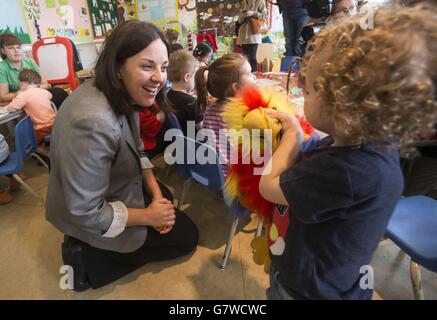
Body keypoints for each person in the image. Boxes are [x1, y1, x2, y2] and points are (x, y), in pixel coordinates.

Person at [259, 3, 437, 300]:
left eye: (311, 88)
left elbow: (268, 187)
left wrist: (292, 134)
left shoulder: (342, 171)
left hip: (304, 289)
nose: (302, 90)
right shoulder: (376, 147)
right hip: (341, 281)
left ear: (346, 110)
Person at [45, 20, 199, 291]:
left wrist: (155, 192)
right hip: (85, 211)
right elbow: (85, 210)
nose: (159, 78)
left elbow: (137, 147)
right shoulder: (93, 121)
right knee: (186, 237)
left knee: (166, 199)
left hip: (109, 184)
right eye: (147, 66)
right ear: (118, 66)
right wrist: (149, 217)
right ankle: (88, 257)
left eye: (163, 68)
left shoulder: (119, 91)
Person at [195, 53, 255, 176]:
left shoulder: (210, 109)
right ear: (237, 87)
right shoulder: (245, 113)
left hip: (215, 173)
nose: (253, 76)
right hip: (237, 177)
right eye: (249, 74)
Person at [2, 69, 55, 145]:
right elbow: (50, 96)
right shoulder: (44, 92)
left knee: (30, 142)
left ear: (21, 84)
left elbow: (12, 107)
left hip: (41, 127)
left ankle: (40, 150)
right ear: (38, 84)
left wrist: (5, 108)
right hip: (54, 123)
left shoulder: (23, 95)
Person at [0, 33, 49, 102]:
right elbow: (3, 96)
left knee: (58, 92)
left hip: (35, 94)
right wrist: (18, 94)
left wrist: (29, 90)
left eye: (18, 47)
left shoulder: (30, 61)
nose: (16, 51)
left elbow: (45, 84)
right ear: (3, 51)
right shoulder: (2, 67)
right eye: (11, 48)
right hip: (19, 99)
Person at [167, 49, 202, 135]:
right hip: (195, 145)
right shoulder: (192, 103)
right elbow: (203, 131)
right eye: (195, 76)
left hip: (175, 143)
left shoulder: (166, 97)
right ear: (187, 77)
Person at [236, 0, 267, 72]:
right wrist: (242, 16)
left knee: (252, 58)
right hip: (243, 34)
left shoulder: (260, 1)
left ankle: (254, 77)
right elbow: (239, 21)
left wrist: (253, 13)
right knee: (246, 59)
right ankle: (247, 76)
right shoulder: (244, 2)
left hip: (254, 34)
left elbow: (264, 16)